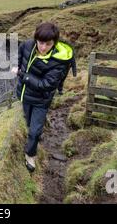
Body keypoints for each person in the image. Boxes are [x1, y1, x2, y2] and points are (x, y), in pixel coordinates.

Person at [11, 22, 76, 172]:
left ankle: (30, 155)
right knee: (28, 123)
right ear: (36, 39)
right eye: (40, 42)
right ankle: (36, 132)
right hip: (25, 95)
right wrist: (19, 65)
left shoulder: (58, 62)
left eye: (48, 44)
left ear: (54, 42)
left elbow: (45, 85)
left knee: (34, 131)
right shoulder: (27, 45)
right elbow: (20, 55)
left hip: (42, 100)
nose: (43, 47)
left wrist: (22, 75)